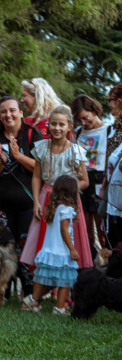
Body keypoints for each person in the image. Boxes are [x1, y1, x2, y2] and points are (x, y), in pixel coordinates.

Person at [21, 105, 92, 272]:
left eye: (61, 124)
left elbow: (84, 180)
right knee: (46, 238)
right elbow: (36, 176)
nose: (57, 128)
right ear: (48, 125)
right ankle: (45, 276)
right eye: (53, 124)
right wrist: (36, 202)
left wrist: (67, 192)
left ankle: (67, 277)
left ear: (69, 127)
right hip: (46, 198)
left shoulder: (76, 151)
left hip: (68, 201)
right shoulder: (41, 148)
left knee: (68, 236)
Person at [0, 96, 43, 292]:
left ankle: (29, 292)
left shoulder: (33, 135)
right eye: (3, 111)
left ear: (21, 112)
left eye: (12, 110)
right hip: (1, 204)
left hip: (29, 204)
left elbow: (43, 168)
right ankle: (3, 292)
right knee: (2, 249)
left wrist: (18, 156)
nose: (8, 115)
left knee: (27, 248)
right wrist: (1, 162)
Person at [21, 175, 81, 315]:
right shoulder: (67, 209)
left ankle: (32, 300)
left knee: (51, 282)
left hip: (49, 251)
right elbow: (64, 230)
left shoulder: (53, 208)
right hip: (62, 252)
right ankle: (59, 308)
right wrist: (72, 249)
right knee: (65, 281)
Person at [71, 94, 108, 252]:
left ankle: (107, 260)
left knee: (103, 230)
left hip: (101, 180)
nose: (84, 123)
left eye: (86, 118)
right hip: (82, 180)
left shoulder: (109, 130)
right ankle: (90, 259)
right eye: (80, 120)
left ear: (94, 110)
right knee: (86, 232)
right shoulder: (78, 132)